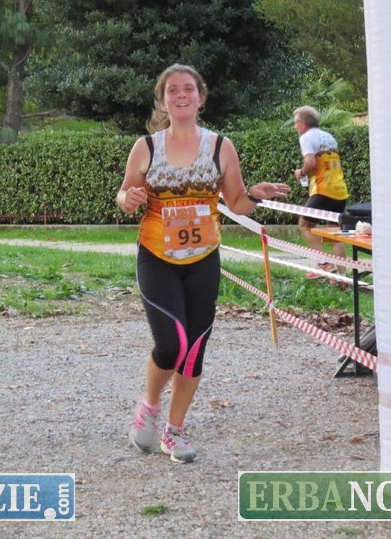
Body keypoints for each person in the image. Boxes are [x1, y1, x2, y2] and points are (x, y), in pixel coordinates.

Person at [117, 63, 289, 463]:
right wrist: (128, 198)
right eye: (173, 90)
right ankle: (149, 405)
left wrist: (256, 194)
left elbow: (237, 203)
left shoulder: (220, 147)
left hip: (203, 258)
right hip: (157, 257)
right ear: (163, 101)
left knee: (194, 349)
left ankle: (174, 431)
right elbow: (125, 195)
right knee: (171, 344)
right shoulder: (146, 147)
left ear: (201, 97)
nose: (181, 95)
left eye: (189, 89)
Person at [292, 105, 350, 281]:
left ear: (303, 124)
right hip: (339, 189)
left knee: (304, 225)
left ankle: (323, 263)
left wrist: (301, 173)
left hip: (323, 190)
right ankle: (342, 277)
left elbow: (310, 163)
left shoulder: (306, 137)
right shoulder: (328, 136)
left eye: (296, 123)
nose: (295, 127)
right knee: (335, 233)